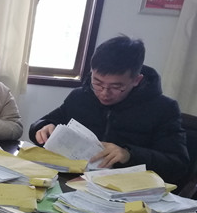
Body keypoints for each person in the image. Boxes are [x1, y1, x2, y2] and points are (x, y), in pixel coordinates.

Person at [28, 35, 189, 185]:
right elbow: (44, 123)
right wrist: (43, 127)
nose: (104, 93)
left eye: (116, 87)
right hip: (73, 183)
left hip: (126, 190)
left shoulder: (163, 109)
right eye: (98, 83)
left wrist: (129, 155)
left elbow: (178, 165)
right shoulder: (80, 97)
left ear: (136, 80)